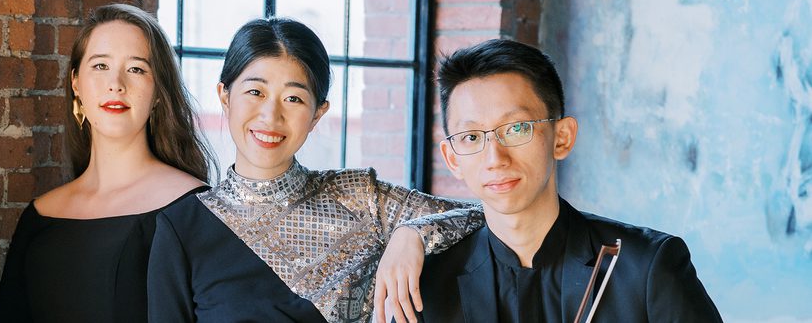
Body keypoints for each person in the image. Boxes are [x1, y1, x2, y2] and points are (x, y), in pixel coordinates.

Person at [147, 17, 484, 323]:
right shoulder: (181, 228)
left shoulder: (360, 197)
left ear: (317, 114)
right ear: (225, 96)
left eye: (293, 99)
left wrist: (414, 233)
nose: (271, 115)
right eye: (255, 91)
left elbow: (484, 216)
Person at [418, 39, 722, 322]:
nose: (495, 157)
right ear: (453, 158)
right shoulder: (425, 287)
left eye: (517, 128)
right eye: (471, 137)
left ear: (562, 137)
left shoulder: (648, 268)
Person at [0, 4, 214, 322]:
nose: (116, 84)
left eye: (137, 69)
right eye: (100, 66)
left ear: (157, 94)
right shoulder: (38, 215)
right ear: (76, 84)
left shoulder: (196, 208)